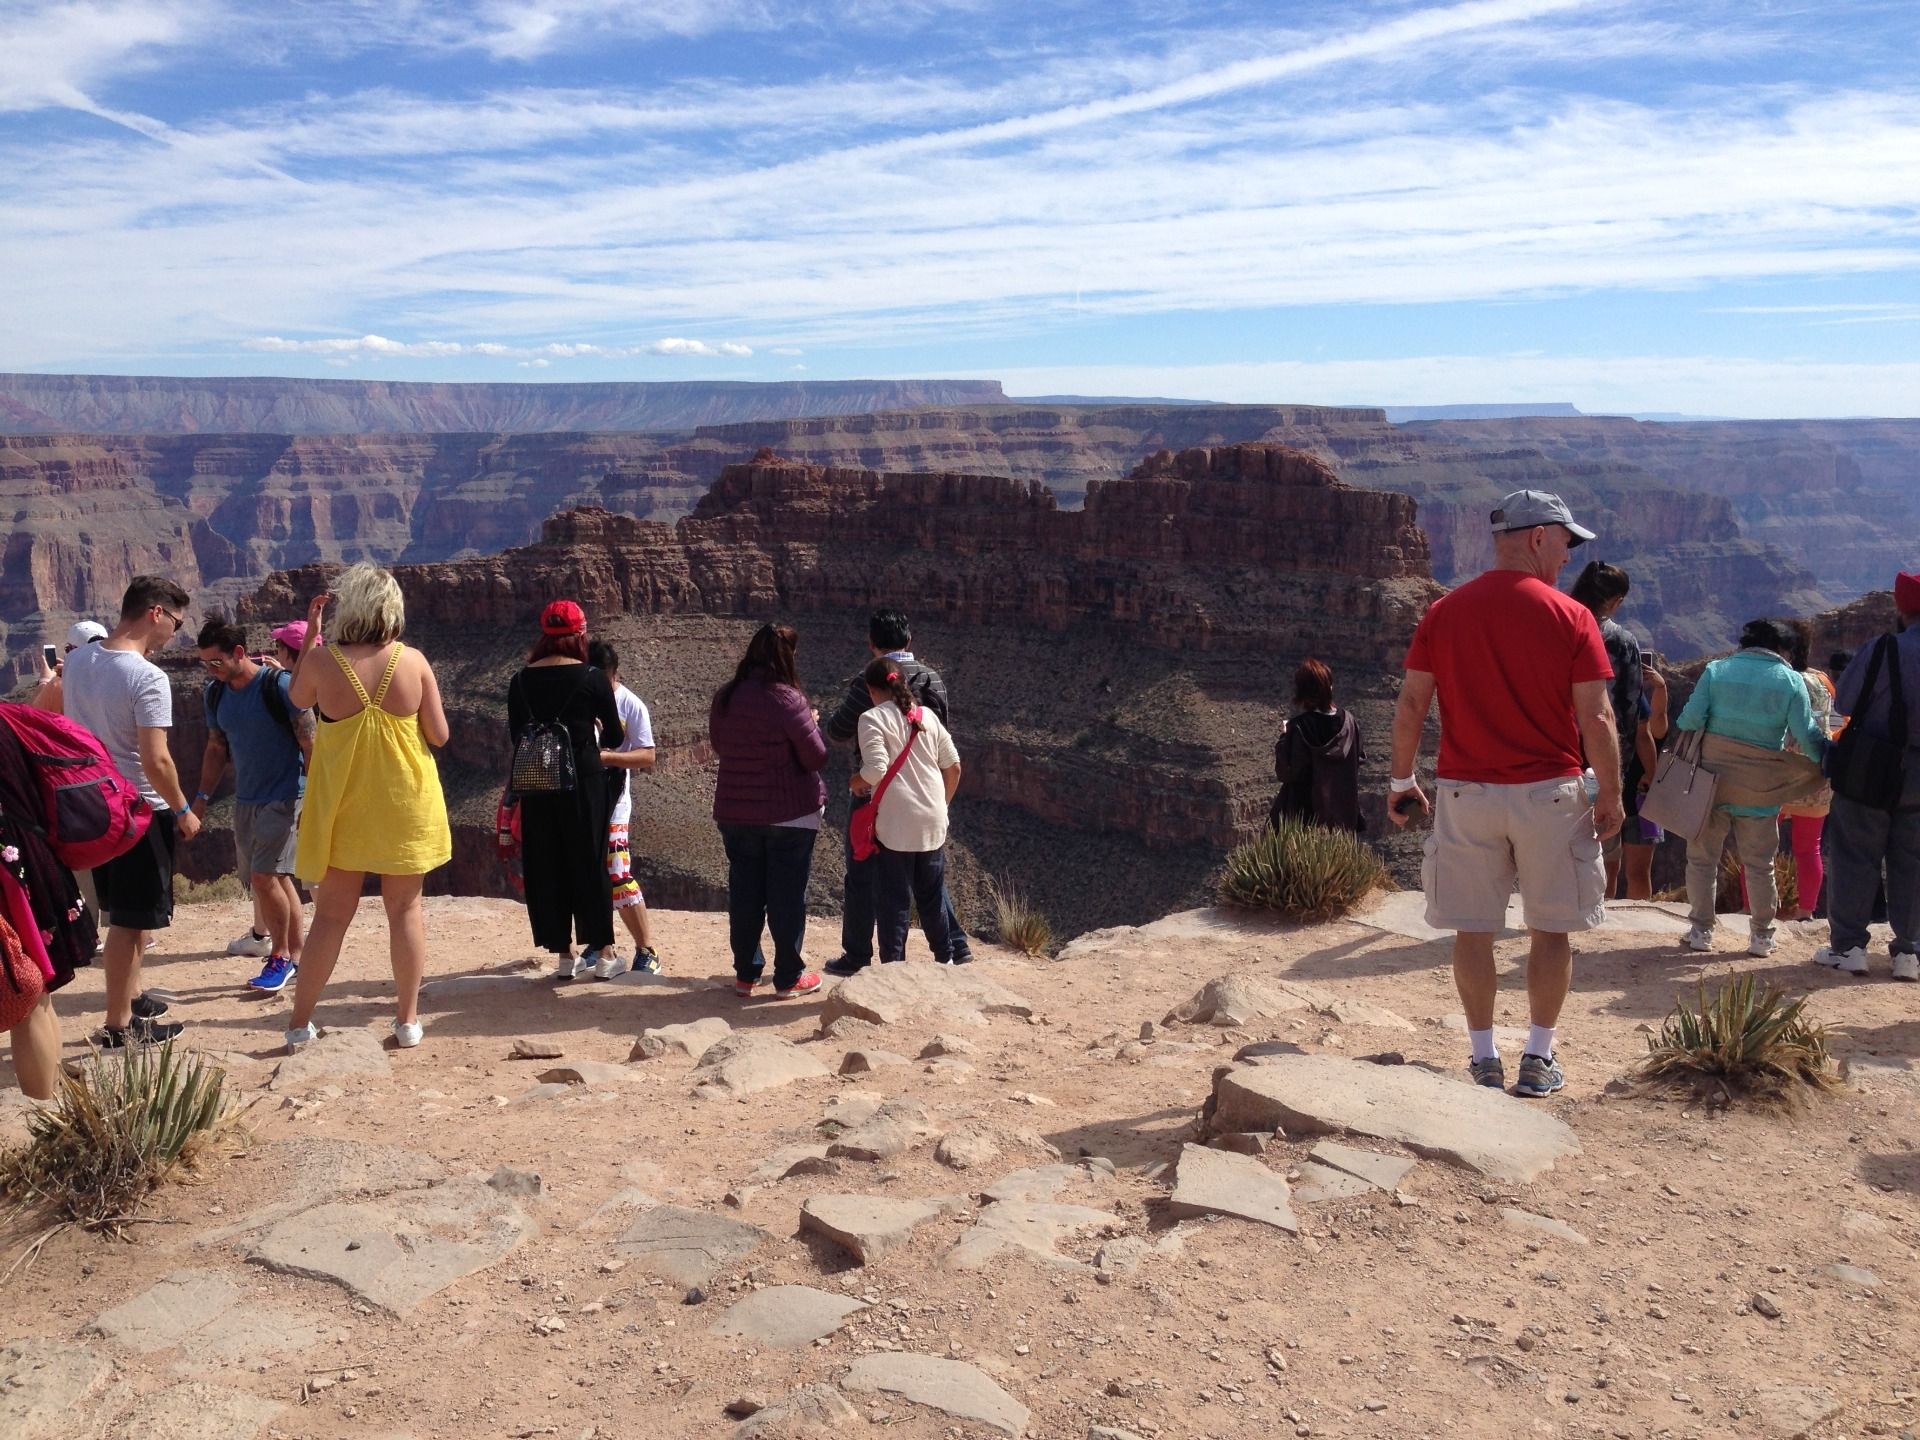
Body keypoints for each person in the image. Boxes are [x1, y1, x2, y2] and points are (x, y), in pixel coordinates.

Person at [1390, 490, 1620, 1099]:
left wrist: (1401, 780)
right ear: (1538, 536)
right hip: (1551, 795)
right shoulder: (1573, 617)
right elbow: (1597, 717)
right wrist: (1611, 794)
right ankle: (1538, 1057)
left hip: (1466, 796)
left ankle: (1483, 1058)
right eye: (1566, 542)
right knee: (1551, 930)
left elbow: (1412, 702)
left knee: (1473, 931)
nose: (1569, 555)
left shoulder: (1444, 612)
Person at [283, 563, 452, 1051]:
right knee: (405, 910)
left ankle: (299, 1024)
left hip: (344, 806)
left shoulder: (322, 662)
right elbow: (439, 735)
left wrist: (311, 636)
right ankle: (407, 1020)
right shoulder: (413, 661)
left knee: (331, 917)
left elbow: (296, 696)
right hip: (404, 804)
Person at [60, 577, 200, 1047]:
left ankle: (132, 998)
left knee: (126, 912)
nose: (175, 634)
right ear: (156, 612)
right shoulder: (147, 677)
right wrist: (183, 809)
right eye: (176, 623)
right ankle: (119, 1027)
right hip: (139, 808)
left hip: (93, 806)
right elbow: (156, 760)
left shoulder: (78, 662)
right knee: (129, 921)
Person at [824, 608, 972, 974]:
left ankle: (860, 956)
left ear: (871, 643)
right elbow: (945, 743)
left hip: (876, 796)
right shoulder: (934, 679)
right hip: (928, 795)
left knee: (864, 874)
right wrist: (942, 801)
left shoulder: (868, 683)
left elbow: (838, 730)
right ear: (909, 640)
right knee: (928, 878)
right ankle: (954, 948)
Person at [1674, 618, 1827, 958]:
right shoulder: (1791, 680)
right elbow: (1806, 734)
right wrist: (1826, 762)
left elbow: (1689, 720)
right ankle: (1761, 936)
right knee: (1760, 863)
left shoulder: (1716, 671)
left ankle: (1701, 931)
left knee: (1702, 859)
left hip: (1710, 782)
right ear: (1783, 648)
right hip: (1760, 787)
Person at [191, 618, 313, 994]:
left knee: (263, 878)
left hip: (285, 795)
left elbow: (310, 742)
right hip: (246, 799)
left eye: (216, 662)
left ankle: (279, 956)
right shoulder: (215, 694)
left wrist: (318, 797)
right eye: (205, 663)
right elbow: (216, 748)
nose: (210, 670)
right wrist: (201, 799)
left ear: (239, 653)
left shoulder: (279, 685)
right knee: (276, 879)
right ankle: (298, 957)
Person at [709, 623, 828, 998]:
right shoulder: (789, 700)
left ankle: (746, 974)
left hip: (736, 813)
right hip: (789, 813)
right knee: (786, 897)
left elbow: (720, 745)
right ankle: (788, 977)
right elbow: (815, 757)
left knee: (745, 894)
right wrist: (812, 725)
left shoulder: (726, 697)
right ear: (788, 656)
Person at [508, 602, 623, 979]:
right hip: (584, 783)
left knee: (546, 862)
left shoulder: (520, 680)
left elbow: (516, 736)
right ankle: (604, 955)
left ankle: (563, 955)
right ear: (580, 635)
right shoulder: (592, 678)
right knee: (590, 861)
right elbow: (615, 736)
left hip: (538, 783)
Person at [1815, 571, 1920, 979]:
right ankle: (1909, 953)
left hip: (1869, 770)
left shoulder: (1883, 649)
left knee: (1855, 855)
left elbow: (1844, 705)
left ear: (1901, 608)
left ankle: (1849, 948)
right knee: (1913, 861)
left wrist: (1833, 751)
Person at [855, 656, 964, 965]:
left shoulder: (871, 718)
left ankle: (894, 968)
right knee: (932, 898)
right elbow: (954, 767)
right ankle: (946, 961)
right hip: (932, 819)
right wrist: (942, 806)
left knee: (894, 901)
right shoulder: (926, 715)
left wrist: (854, 782)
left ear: (871, 689)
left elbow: (875, 769)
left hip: (895, 824)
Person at [1570, 562, 1644, 899]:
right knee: (1602, 837)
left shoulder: (1559, 626)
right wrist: (1621, 765)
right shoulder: (1621, 641)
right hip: (1600, 751)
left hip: (1554, 749)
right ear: (1615, 601)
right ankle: (1597, 904)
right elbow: (1628, 706)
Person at [587, 639, 660, 979]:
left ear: (613, 673)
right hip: (584, 801)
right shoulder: (581, 698)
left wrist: (606, 758)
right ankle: (600, 944)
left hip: (615, 803)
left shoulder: (631, 704)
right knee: (590, 874)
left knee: (617, 872)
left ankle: (646, 949)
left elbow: (648, 755)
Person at [1776, 621, 1837, 921]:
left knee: (1759, 845)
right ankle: (1806, 911)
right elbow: (1837, 722)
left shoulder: (1779, 679)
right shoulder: (1823, 680)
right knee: (1809, 848)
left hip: (1775, 775)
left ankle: (1752, 908)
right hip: (1815, 776)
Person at [1270, 658, 1365, 833]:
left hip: (1303, 824)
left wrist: (1284, 737)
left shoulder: (1298, 727)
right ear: (1330, 687)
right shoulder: (1349, 723)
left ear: (1301, 692)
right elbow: (1357, 759)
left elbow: (1285, 772)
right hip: (1342, 820)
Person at [1619, 652, 1671, 899]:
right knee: (1635, 871)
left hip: (1633, 800)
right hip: (1641, 800)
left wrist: (1661, 688)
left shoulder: (1613, 715)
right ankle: (1634, 913)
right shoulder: (1648, 728)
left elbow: (1659, 715)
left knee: (1621, 869)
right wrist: (1660, 687)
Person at [28, 619, 107, 715]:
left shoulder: (59, 685)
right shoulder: (115, 677)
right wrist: (69, 669)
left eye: (68, 649)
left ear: (73, 650)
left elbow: (30, 715)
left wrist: (45, 681)